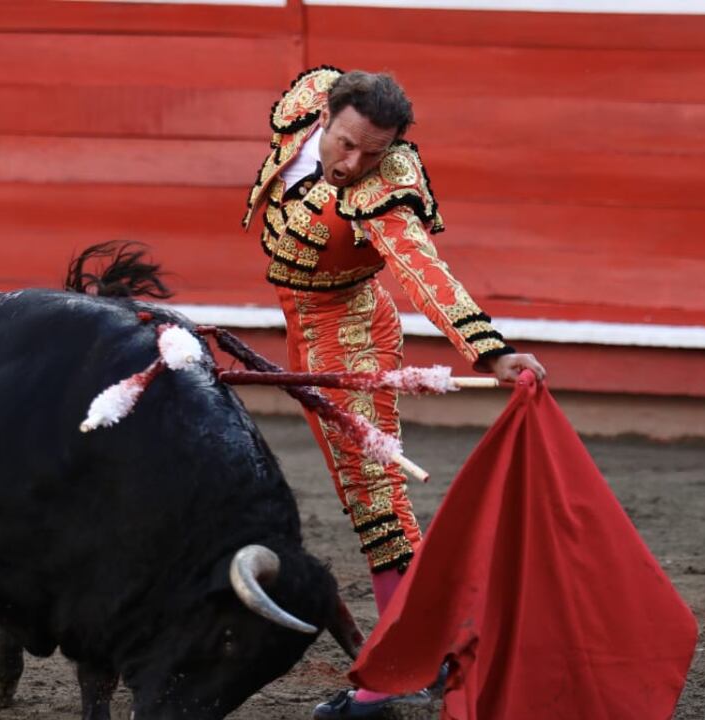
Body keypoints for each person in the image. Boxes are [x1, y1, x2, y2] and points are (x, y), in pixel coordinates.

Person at [242, 67, 546, 719]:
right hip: (304, 329)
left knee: (374, 498)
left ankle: (407, 667)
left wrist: (489, 351)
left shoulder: (384, 190)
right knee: (366, 495)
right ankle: (422, 647)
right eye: (346, 144)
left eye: (372, 153)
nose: (353, 164)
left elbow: (422, 270)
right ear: (326, 118)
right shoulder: (310, 97)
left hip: (349, 333)